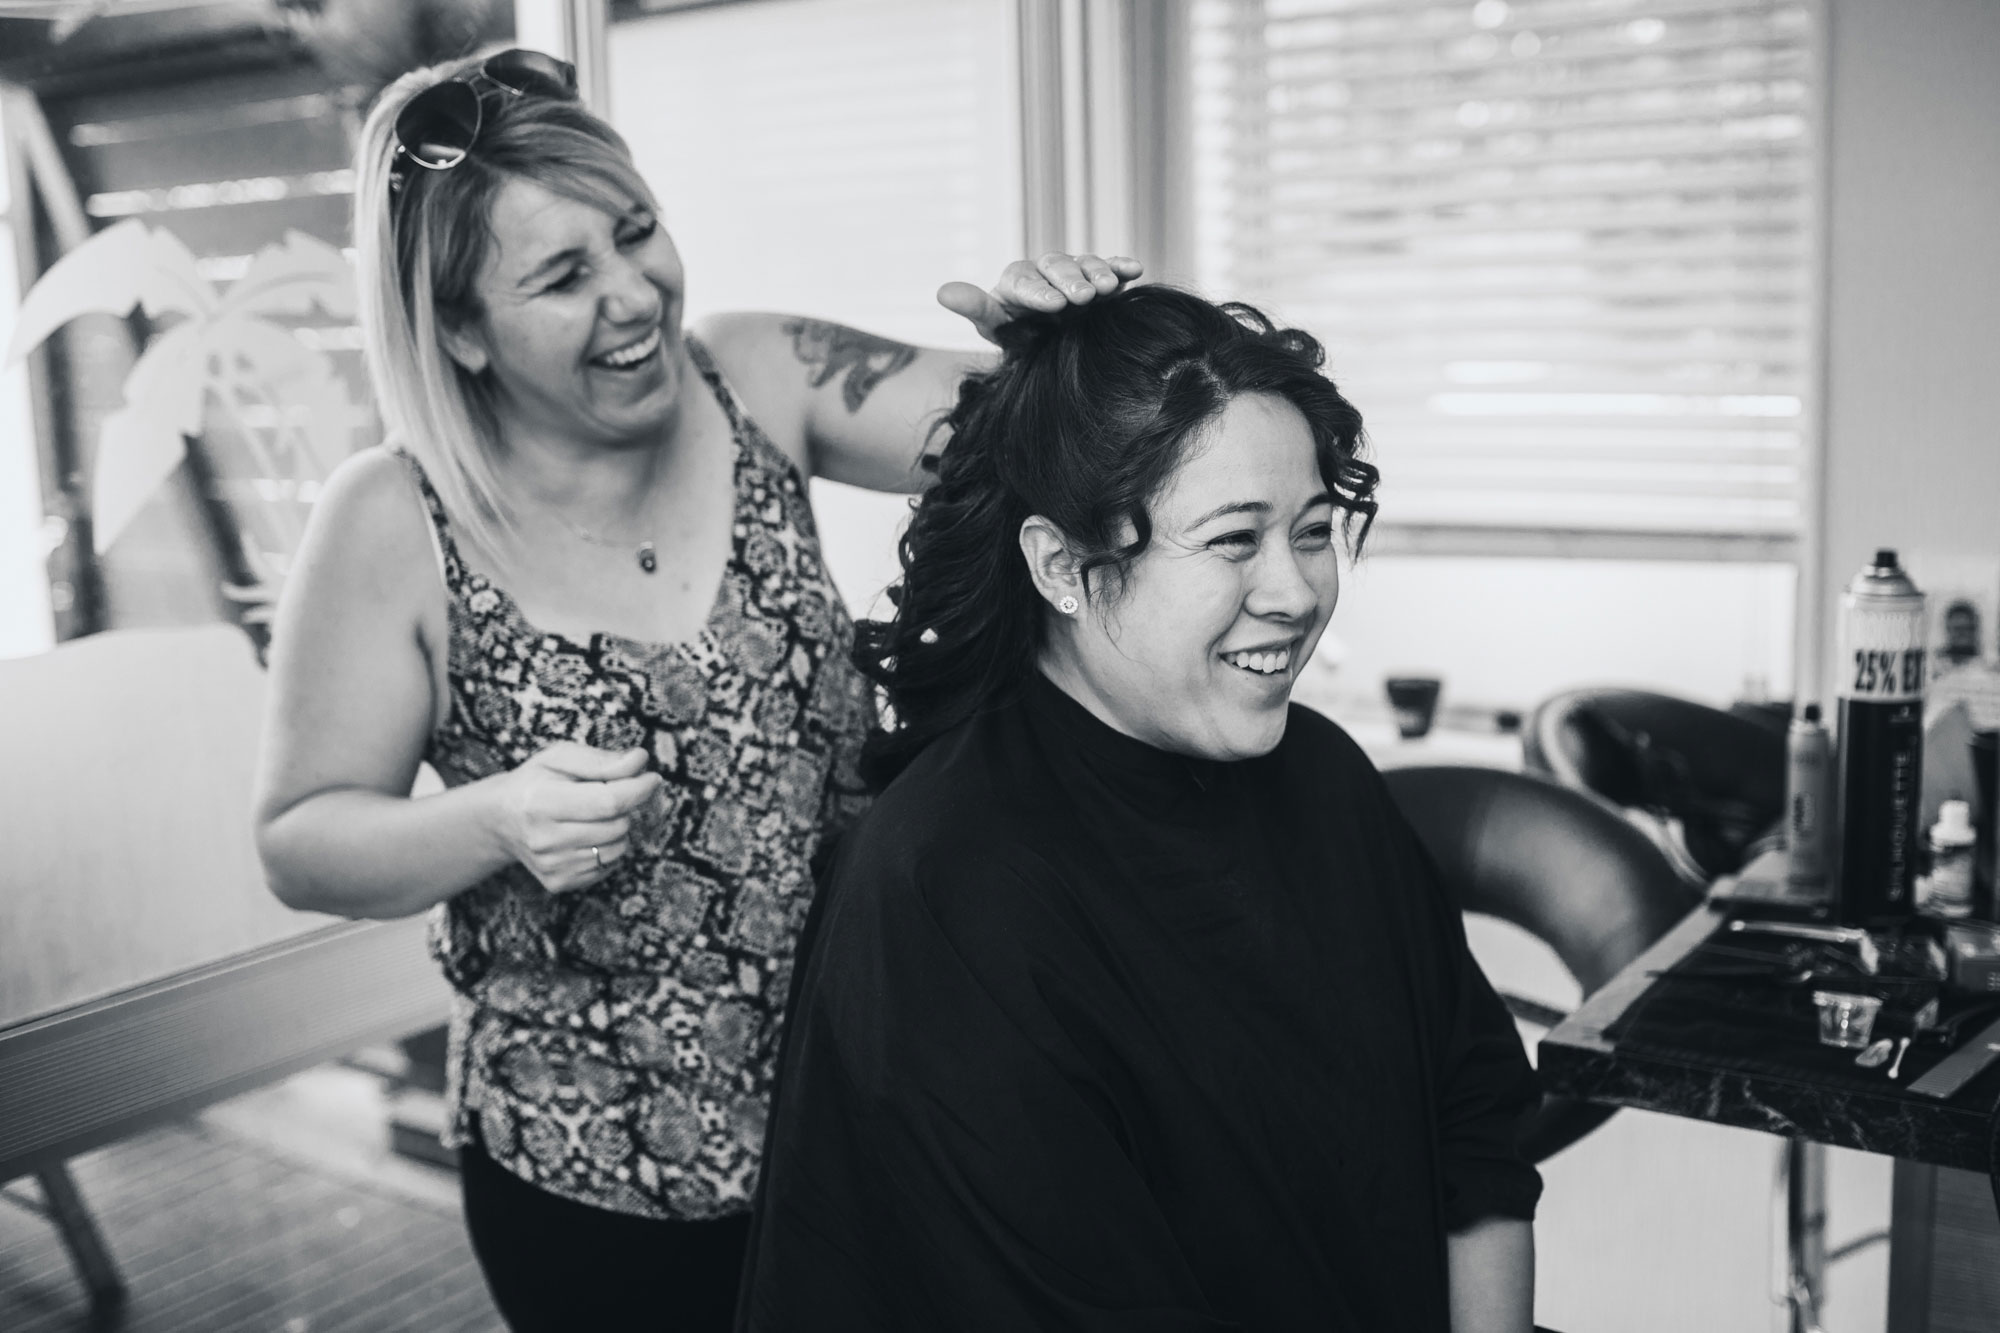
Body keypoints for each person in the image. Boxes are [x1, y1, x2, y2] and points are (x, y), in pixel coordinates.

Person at [252, 48, 1135, 1332]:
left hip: (870, 1113)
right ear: (456, 326)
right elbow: (300, 840)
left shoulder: (758, 378)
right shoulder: (392, 517)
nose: (635, 295)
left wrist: (1058, 348)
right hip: (594, 1176)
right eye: (561, 276)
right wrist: (492, 819)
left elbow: (1063, 441)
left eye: (636, 233)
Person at [739, 286, 1543, 1332]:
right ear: (1063, 568)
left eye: (1309, 532)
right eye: (1229, 540)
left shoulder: (1325, 777)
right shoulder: (946, 890)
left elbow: (1472, 1119)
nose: (1295, 593)